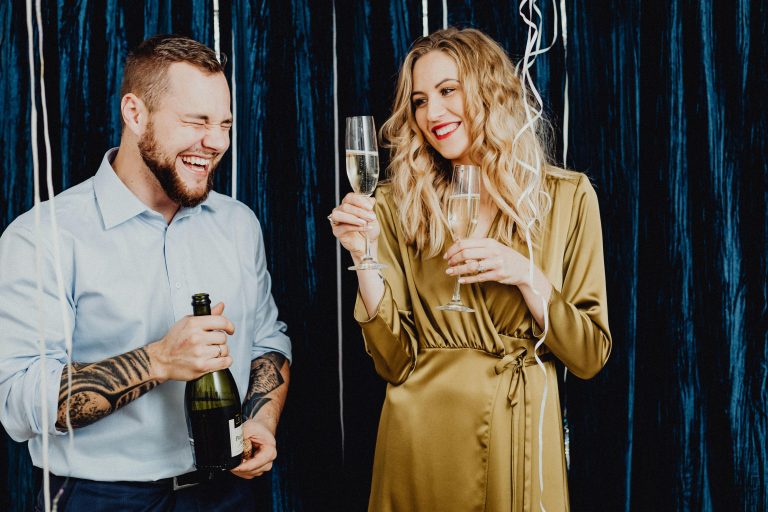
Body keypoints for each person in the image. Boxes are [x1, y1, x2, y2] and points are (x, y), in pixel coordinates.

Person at [0, 35, 291, 511]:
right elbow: (17, 400)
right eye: (196, 121)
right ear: (135, 115)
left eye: (224, 124)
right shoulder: (43, 236)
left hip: (230, 492)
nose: (216, 142)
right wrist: (158, 360)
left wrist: (260, 421)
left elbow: (266, 343)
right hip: (100, 497)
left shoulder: (239, 224)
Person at [328, 27, 611, 511]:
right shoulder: (395, 204)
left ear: (490, 90)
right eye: (418, 100)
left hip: (519, 428)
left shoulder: (568, 196)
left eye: (447, 91)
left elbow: (589, 355)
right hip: (420, 438)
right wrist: (362, 255)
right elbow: (393, 361)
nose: (431, 114)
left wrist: (526, 274)